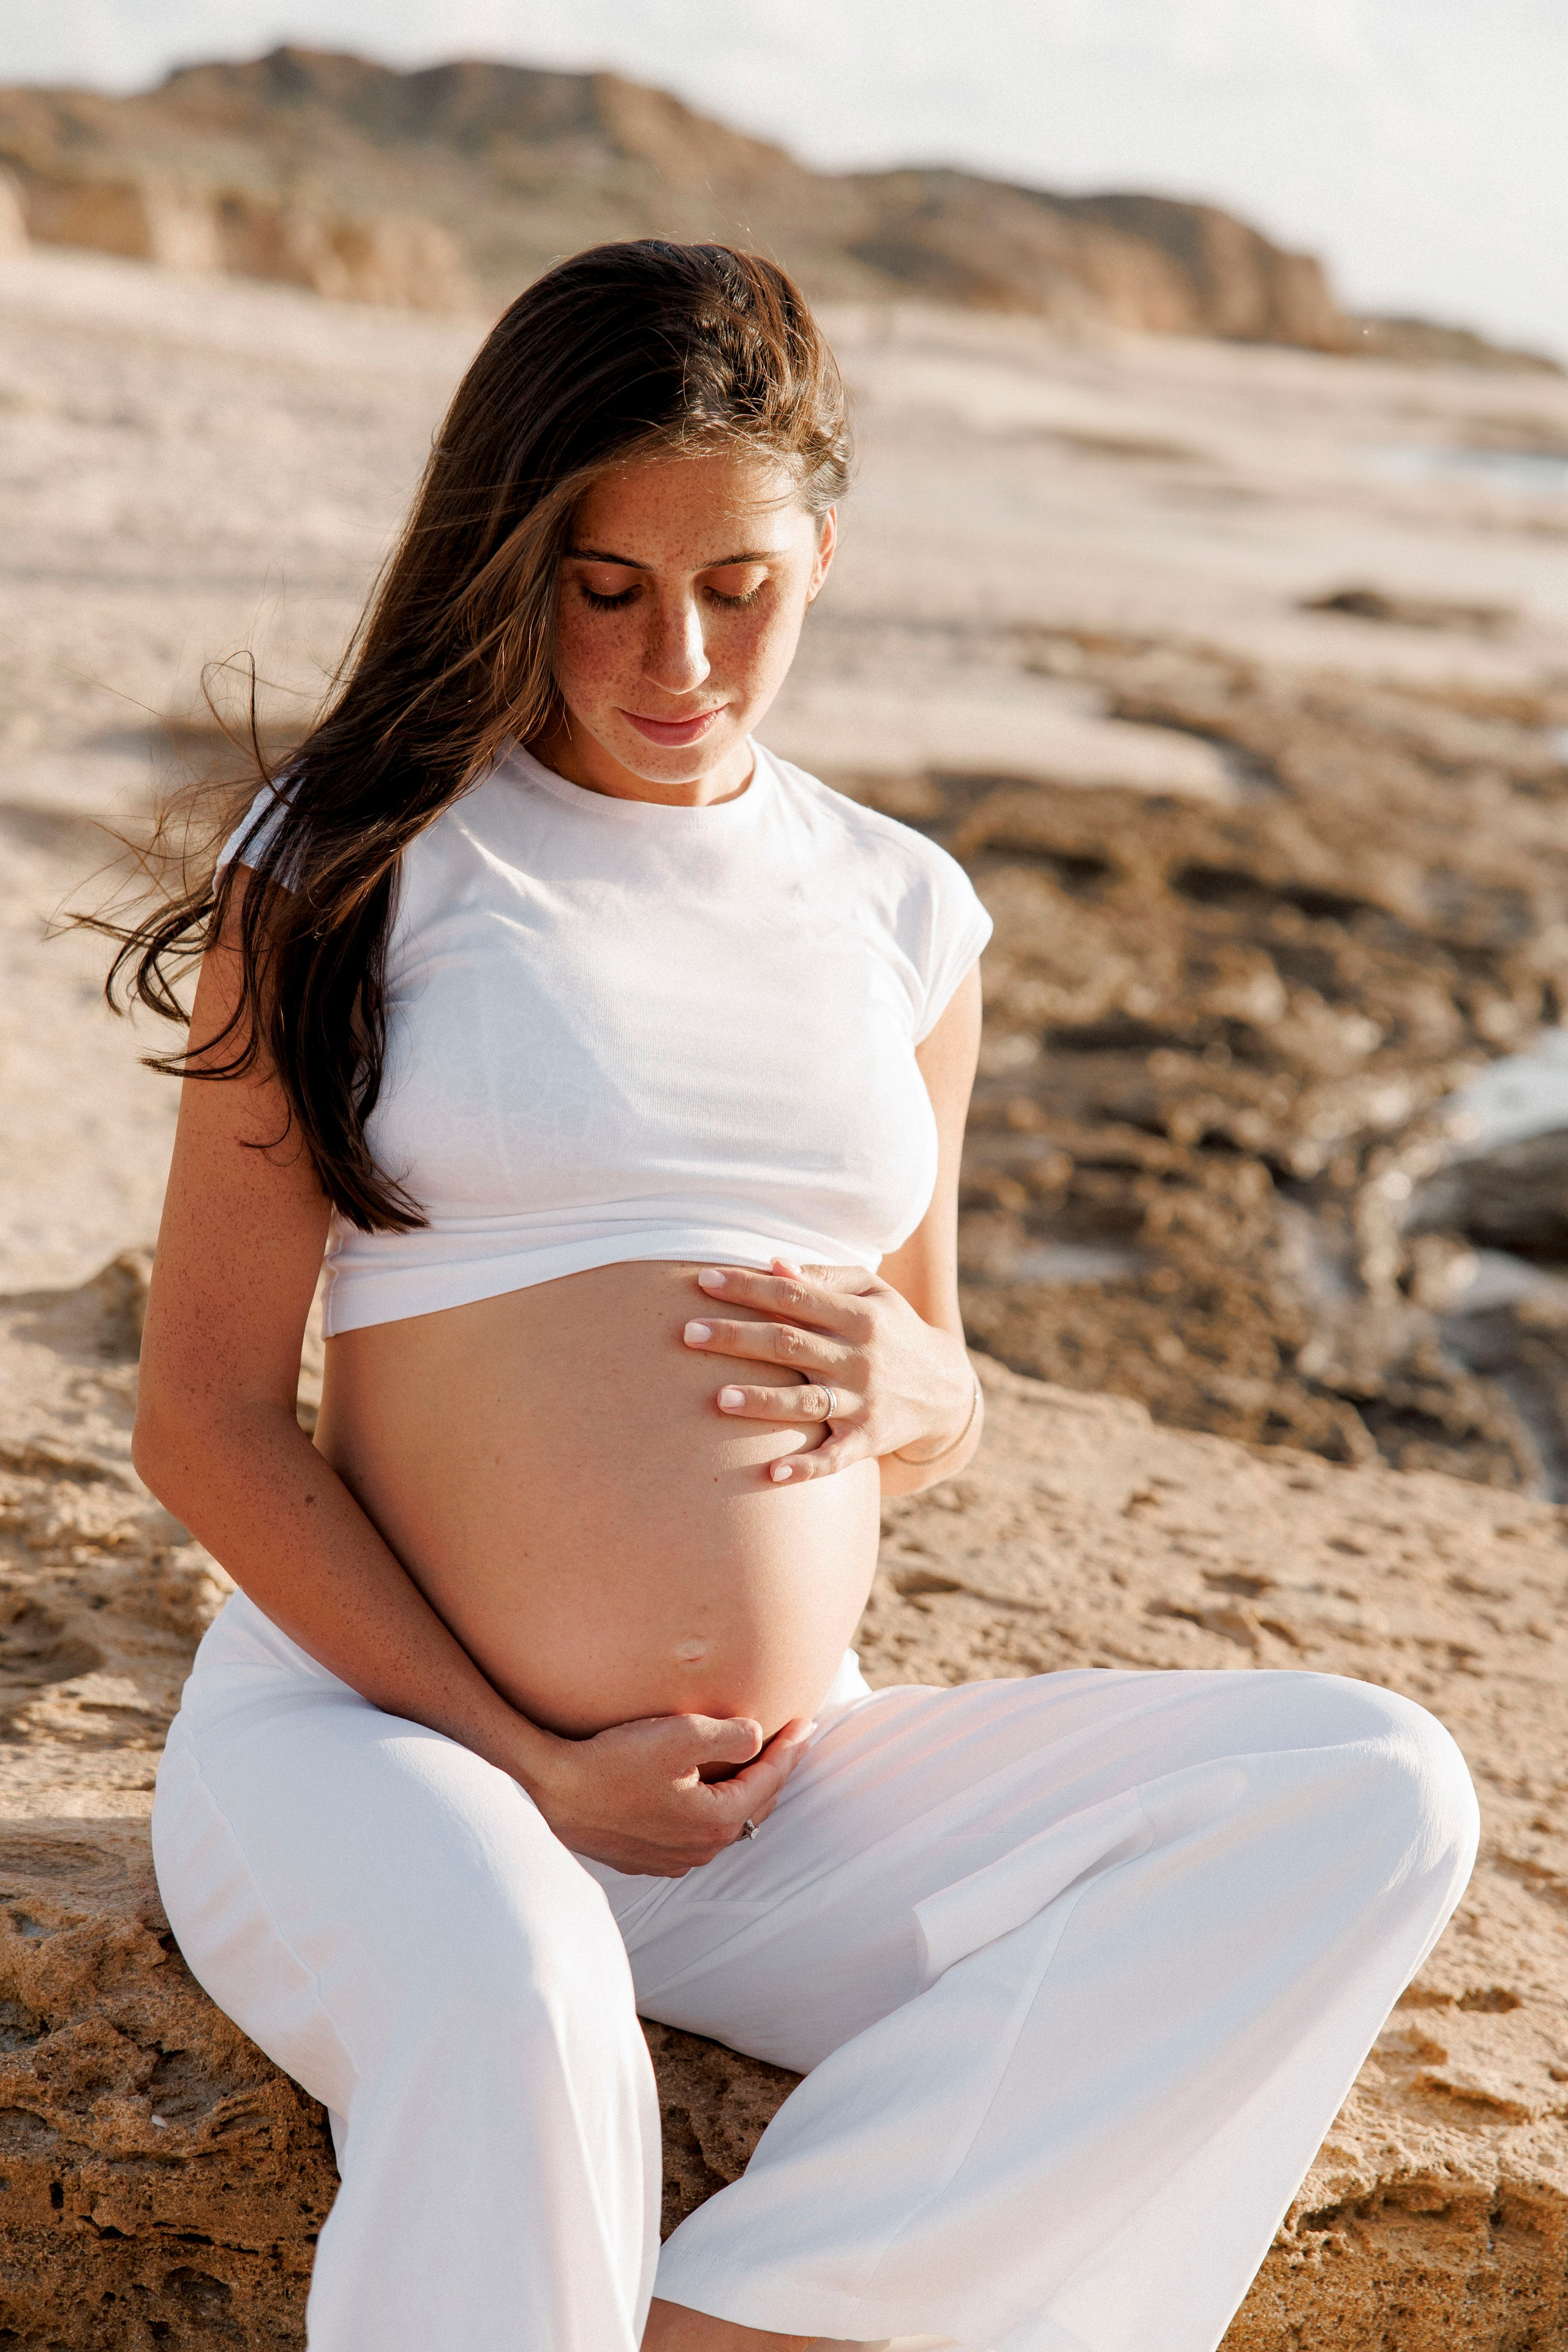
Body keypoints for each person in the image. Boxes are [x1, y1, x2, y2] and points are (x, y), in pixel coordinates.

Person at [118, 240, 1478, 2352]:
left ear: (822, 555)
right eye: (605, 585)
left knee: (1369, 1792)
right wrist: (522, 1759)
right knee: (523, 2000)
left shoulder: (903, 909)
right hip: (382, 1748)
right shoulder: (359, 867)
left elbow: (937, 1396)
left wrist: (924, 1382)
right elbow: (199, 1414)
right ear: (513, 560)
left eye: (735, 586)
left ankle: (747, 2329)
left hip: (769, 1805)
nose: (677, 655)